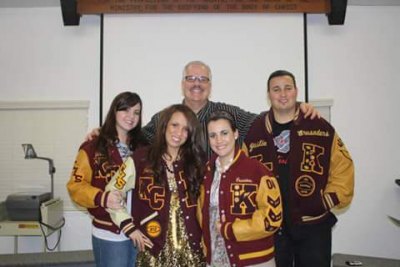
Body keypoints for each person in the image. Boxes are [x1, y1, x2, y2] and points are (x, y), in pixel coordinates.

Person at [87, 61, 320, 158]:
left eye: (203, 79)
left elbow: (264, 121)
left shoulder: (228, 113)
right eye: (191, 78)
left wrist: (295, 106)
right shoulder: (165, 117)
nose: (196, 83)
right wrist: (105, 132)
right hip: (179, 202)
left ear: (210, 84)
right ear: (183, 83)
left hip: (219, 199)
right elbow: (137, 139)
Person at [243, 70, 355, 267]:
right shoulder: (255, 131)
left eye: (288, 88)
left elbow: (343, 168)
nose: (283, 94)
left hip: (314, 225)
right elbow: (243, 174)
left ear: (296, 91)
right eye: (276, 89)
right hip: (273, 227)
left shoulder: (320, 127)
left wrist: (327, 200)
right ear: (268, 95)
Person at [106, 104, 206, 266]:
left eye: (186, 129)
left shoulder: (197, 161)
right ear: (165, 125)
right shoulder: (140, 159)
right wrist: (128, 226)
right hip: (153, 249)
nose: (178, 133)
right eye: (174, 125)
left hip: (191, 251)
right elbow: (113, 191)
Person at [67, 92, 145, 267]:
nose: (131, 116)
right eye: (125, 109)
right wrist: (102, 197)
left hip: (139, 230)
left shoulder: (144, 147)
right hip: (110, 231)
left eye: (136, 112)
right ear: (114, 111)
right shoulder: (92, 147)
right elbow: (76, 186)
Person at [197, 110, 283, 267]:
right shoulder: (206, 172)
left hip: (254, 260)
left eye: (224, 133)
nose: (219, 140)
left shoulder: (258, 171)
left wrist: (232, 230)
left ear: (235, 134)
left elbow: (272, 219)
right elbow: (202, 213)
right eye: (212, 135)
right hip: (215, 259)